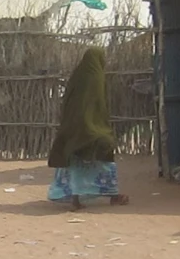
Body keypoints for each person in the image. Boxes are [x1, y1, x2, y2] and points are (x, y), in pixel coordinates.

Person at [46, 47, 126, 210]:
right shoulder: (96, 77)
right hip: (90, 129)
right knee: (105, 152)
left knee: (74, 159)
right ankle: (113, 194)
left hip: (71, 130)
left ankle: (75, 198)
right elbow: (98, 108)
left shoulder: (76, 77)